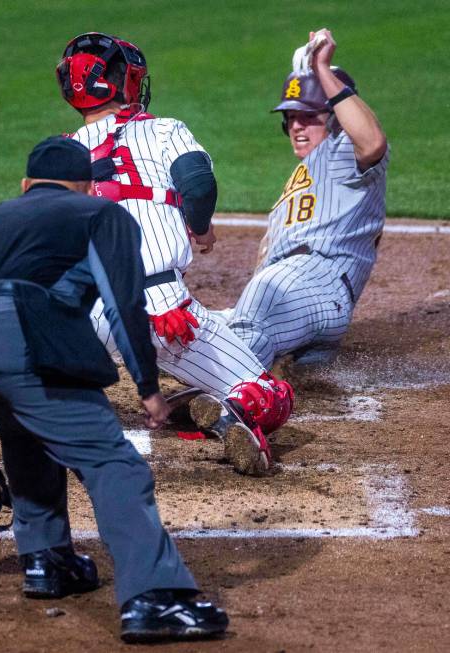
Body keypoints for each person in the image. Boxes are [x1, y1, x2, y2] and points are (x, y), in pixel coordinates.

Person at [0, 137, 228, 642]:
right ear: (89, 186)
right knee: (113, 463)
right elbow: (123, 303)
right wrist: (148, 387)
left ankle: (48, 561)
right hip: (15, 338)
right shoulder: (100, 213)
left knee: (22, 425)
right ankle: (157, 599)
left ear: (26, 186)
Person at [56, 32, 294, 475]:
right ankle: (233, 411)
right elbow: (198, 184)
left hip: (79, 315)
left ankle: (42, 417)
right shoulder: (163, 130)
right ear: (122, 82)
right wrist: (199, 229)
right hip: (159, 311)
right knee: (270, 397)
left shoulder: (59, 152)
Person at [226, 29, 388, 369]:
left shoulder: (343, 151)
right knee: (195, 327)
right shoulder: (304, 178)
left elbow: (372, 142)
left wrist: (323, 70)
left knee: (262, 300)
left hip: (315, 281)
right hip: (300, 305)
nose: (297, 126)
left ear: (334, 119)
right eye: (291, 117)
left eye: (309, 116)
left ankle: (228, 392)